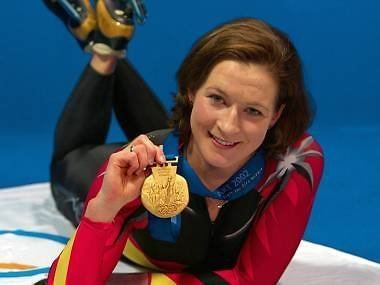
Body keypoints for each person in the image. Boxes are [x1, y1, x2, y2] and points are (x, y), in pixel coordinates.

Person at [44, 1, 324, 284]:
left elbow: (253, 280)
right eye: (217, 98)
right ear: (191, 90)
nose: (229, 125)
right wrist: (104, 208)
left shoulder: (297, 162)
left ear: (277, 114)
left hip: (179, 147)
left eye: (253, 110)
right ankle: (104, 55)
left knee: (194, 137)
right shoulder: (127, 173)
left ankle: (107, 44)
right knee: (68, 160)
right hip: (129, 162)